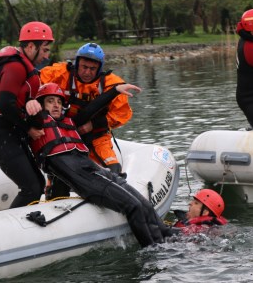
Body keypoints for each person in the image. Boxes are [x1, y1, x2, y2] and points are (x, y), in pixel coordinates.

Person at [28, 82, 170, 248]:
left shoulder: (70, 121)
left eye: (59, 102)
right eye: (50, 101)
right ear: (41, 104)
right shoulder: (36, 124)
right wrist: (30, 103)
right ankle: (153, 250)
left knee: (144, 204)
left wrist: (115, 91)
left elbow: (92, 108)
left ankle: (167, 235)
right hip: (82, 177)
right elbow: (19, 111)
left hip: (93, 168)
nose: (56, 105)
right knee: (133, 206)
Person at [40, 43, 136, 198]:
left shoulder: (111, 83)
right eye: (83, 67)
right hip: (66, 135)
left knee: (114, 170)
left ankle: (110, 197)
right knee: (60, 174)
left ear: (99, 68)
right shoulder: (59, 73)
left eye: (92, 69)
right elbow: (35, 80)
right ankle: (53, 187)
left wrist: (93, 125)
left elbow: (121, 114)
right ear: (77, 63)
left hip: (97, 136)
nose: (87, 72)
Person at [0, 21, 53, 208]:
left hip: (7, 134)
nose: (46, 55)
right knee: (32, 189)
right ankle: (12, 230)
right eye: (44, 50)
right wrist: (28, 129)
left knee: (38, 185)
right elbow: (5, 104)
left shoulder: (20, 63)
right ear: (30, 46)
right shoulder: (15, 66)